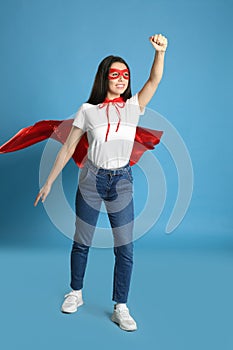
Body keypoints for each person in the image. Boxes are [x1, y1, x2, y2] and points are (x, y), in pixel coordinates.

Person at [34, 33, 168, 331]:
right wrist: (49, 183)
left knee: (125, 247)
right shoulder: (87, 111)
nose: (121, 79)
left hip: (121, 182)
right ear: (104, 77)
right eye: (115, 74)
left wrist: (160, 53)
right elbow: (69, 148)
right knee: (82, 241)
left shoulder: (134, 106)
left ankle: (121, 306)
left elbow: (154, 80)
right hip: (92, 180)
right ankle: (76, 293)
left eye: (125, 75)